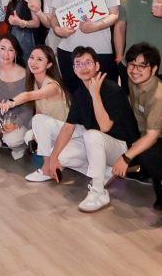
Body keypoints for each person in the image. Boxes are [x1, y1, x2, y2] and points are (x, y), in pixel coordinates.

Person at [35, 47, 138, 213]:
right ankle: (103, 170)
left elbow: (105, 127)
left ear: (97, 66)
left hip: (122, 150)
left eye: (88, 63)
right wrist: (53, 158)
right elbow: (68, 127)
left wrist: (95, 95)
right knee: (61, 156)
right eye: (78, 64)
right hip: (99, 144)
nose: (83, 67)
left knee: (91, 135)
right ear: (74, 70)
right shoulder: (80, 93)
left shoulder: (111, 89)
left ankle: (99, 192)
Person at [109, 44, 162, 210]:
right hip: (143, 129)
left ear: (154, 69)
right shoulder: (133, 80)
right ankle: (144, 171)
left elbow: (152, 136)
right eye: (132, 64)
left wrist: (126, 157)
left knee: (149, 154)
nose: (135, 70)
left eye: (143, 66)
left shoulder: (159, 96)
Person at [0, 45, 70, 182]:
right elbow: (38, 111)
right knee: (29, 136)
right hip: (53, 130)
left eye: (39, 59)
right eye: (31, 57)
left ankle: (46, 168)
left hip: (66, 131)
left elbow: (28, 96)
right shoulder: (36, 82)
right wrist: (37, 135)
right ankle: (56, 160)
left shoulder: (53, 86)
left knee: (37, 122)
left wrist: (10, 103)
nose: (33, 62)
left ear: (49, 64)